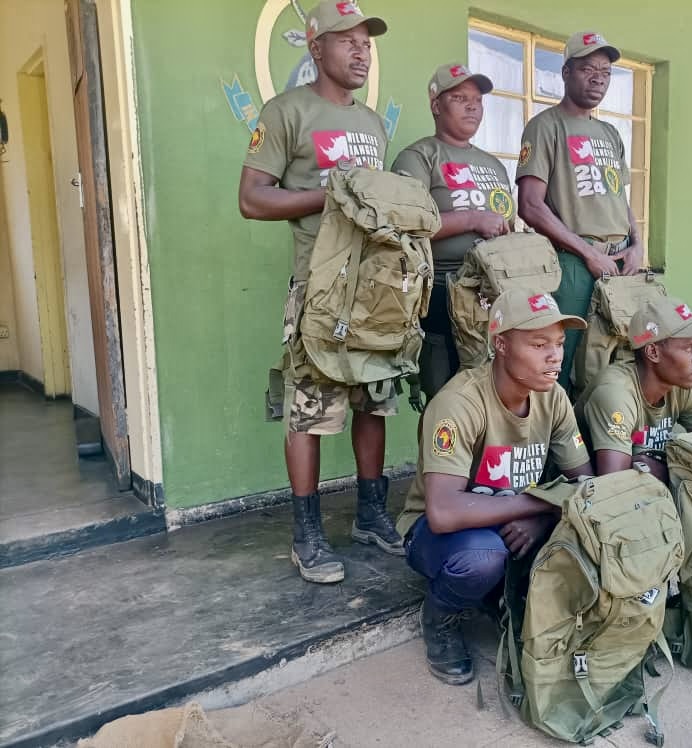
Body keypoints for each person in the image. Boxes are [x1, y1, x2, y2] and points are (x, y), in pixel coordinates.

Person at [238, 0, 402, 585]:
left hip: (375, 291)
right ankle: (306, 533)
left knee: (372, 401)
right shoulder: (287, 112)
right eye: (347, 40)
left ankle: (370, 513)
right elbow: (253, 198)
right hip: (319, 287)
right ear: (316, 48)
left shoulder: (374, 124)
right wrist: (330, 196)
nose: (360, 50)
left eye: (366, 41)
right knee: (309, 410)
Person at [397, 288, 594, 685]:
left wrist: (542, 520)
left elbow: (586, 484)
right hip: (442, 535)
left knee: (590, 532)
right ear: (500, 343)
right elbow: (444, 511)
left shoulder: (553, 398)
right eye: (538, 344)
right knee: (482, 559)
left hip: (511, 519)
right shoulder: (461, 403)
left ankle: (503, 598)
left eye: (558, 343)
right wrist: (539, 506)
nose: (554, 355)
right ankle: (440, 617)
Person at [516, 31, 645, 389]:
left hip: (620, 263)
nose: (598, 79)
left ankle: (603, 440)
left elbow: (618, 198)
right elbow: (529, 205)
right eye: (588, 69)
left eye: (605, 72)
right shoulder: (545, 126)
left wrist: (638, 244)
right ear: (566, 72)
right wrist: (588, 253)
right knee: (561, 361)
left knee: (617, 360)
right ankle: (560, 443)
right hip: (573, 263)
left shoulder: (610, 133)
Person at [391, 63, 515, 400]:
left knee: (493, 393)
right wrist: (473, 219)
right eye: (460, 98)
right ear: (436, 105)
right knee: (445, 398)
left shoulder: (493, 164)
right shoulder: (419, 157)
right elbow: (403, 226)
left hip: (493, 291)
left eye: (477, 99)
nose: (472, 106)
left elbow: (507, 223)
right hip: (443, 292)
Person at [576, 295, 692, 482]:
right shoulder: (615, 393)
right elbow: (614, 485)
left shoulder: (682, 383)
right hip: (584, 498)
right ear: (653, 352)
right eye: (689, 348)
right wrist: (676, 468)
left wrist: (657, 466)